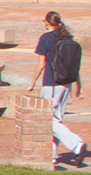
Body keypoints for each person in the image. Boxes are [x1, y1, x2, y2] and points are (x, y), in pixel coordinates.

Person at [31, 11, 86, 165]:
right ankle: (52, 155)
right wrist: (79, 87)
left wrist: (33, 82)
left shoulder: (45, 38)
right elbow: (75, 66)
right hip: (66, 84)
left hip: (51, 83)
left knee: (48, 120)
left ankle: (76, 144)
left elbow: (42, 64)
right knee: (56, 120)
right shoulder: (67, 38)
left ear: (46, 22)